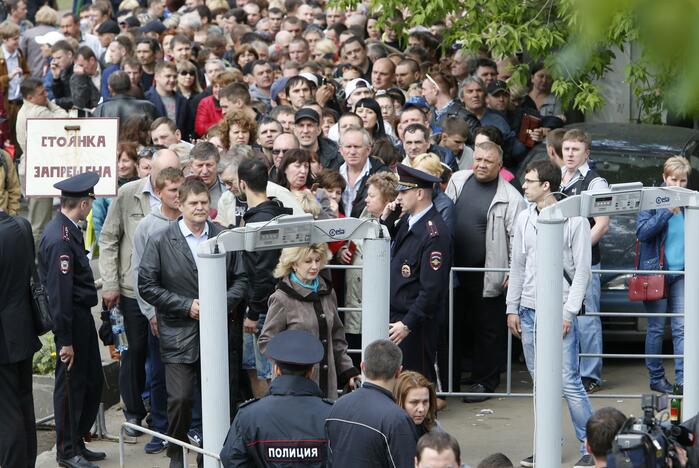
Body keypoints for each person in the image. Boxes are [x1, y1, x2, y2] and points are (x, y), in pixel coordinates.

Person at [138, 177, 248, 468]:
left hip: (218, 332)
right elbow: (147, 285)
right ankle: (177, 450)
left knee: (219, 398)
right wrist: (186, 306)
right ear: (180, 204)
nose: (200, 208)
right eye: (193, 203)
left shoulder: (224, 237)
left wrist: (217, 304)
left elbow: (241, 279)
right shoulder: (161, 239)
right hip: (178, 333)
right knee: (181, 398)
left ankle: (213, 454)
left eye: (203, 203)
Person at [505, 159, 594, 468]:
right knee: (540, 382)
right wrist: (511, 307)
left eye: (529, 181)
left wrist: (568, 313)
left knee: (568, 381)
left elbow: (582, 272)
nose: (524, 186)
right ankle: (547, 442)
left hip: (558, 310)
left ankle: (592, 446)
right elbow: (517, 265)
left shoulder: (574, 220)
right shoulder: (524, 218)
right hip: (529, 309)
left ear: (546, 186)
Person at [99, 149, 181, 435]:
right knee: (132, 353)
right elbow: (109, 238)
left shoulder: (181, 194)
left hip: (168, 295)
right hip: (131, 290)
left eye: (175, 171)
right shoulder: (129, 193)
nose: (170, 178)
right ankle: (133, 413)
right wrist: (109, 282)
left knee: (163, 360)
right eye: (163, 173)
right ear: (150, 172)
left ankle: (164, 417)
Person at [444, 141, 526, 400]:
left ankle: (485, 381)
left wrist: (512, 271)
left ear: (499, 166)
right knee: (455, 326)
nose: (480, 164)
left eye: (487, 161)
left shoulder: (512, 197)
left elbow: (518, 239)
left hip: (490, 272)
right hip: (454, 271)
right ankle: (452, 378)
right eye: (477, 159)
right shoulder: (457, 180)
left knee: (488, 329)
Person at [38, 172, 105, 468]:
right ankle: (66, 450)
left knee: (90, 382)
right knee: (70, 388)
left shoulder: (69, 230)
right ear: (83, 203)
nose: (91, 204)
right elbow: (60, 295)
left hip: (80, 318)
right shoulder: (60, 239)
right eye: (90, 200)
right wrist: (64, 340)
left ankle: (77, 439)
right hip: (71, 322)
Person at [131, 166, 186, 454]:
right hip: (159, 313)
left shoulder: (191, 221)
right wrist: (150, 312)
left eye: (181, 189)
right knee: (158, 373)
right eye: (173, 191)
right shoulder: (148, 227)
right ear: (160, 193)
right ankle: (162, 429)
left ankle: (190, 428)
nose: (178, 196)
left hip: (189, 311)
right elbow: (139, 272)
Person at [258, 243, 359, 399]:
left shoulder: (328, 292)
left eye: (318, 260)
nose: (314, 266)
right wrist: (291, 366)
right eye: (308, 261)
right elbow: (266, 342)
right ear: (293, 263)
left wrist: (348, 370)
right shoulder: (281, 298)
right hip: (295, 389)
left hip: (328, 386)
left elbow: (337, 337)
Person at [220, 330, 334, 467]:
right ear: (311, 371)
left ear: (276, 370)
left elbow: (232, 460)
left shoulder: (249, 415)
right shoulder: (333, 415)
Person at [382, 164, 452, 382]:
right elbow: (386, 246)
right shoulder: (406, 220)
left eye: (404, 191)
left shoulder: (434, 233)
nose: (398, 196)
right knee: (397, 382)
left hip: (414, 323)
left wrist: (408, 324)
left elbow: (432, 289)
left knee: (415, 382)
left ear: (419, 193)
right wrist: (385, 220)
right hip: (397, 318)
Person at [238, 157, 293, 397]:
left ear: (242, 185)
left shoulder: (260, 222)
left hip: (263, 309)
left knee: (267, 373)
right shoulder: (276, 212)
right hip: (272, 304)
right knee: (255, 368)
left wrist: (253, 312)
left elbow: (262, 272)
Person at [560, 128, 609, 394]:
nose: (569, 154)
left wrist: (576, 252)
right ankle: (569, 373)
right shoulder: (558, 178)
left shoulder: (595, 183)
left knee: (587, 319)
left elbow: (602, 225)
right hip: (559, 264)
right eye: (566, 148)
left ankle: (590, 376)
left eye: (575, 149)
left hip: (585, 262)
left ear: (586, 152)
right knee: (566, 317)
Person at [635, 156, 689, 394]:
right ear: (664, 178)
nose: (677, 185)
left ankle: (684, 380)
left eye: (682, 180)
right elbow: (642, 233)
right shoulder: (651, 201)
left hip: (683, 273)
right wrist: (666, 211)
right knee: (656, 328)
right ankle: (656, 377)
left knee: (682, 328)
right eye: (673, 179)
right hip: (657, 272)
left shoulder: (691, 203)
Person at [325, 339, 417, 468]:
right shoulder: (397, 419)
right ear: (398, 372)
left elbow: (330, 458)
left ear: (363, 367)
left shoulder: (337, 406)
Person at [0, 203, 41, 468]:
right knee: (24, 401)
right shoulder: (21, 226)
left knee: (7, 410)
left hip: (5, 336)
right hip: (23, 328)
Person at [395, 371, 439, 437]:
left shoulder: (435, 428)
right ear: (398, 401)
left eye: (425, 402)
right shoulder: (389, 432)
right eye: (414, 402)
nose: (421, 409)